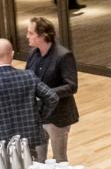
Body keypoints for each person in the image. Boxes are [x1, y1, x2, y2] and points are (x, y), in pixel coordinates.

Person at [0, 38, 58, 160]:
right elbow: (52, 97)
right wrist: (39, 116)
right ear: (12, 54)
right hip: (28, 139)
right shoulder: (28, 76)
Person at [25, 17, 78, 161]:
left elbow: (72, 86)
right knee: (37, 159)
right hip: (38, 115)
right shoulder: (33, 55)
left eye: (31, 33)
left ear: (42, 35)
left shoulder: (63, 55)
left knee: (59, 159)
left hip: (58, 116)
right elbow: (28, 78)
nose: (27, 36)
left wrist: (46, 93)